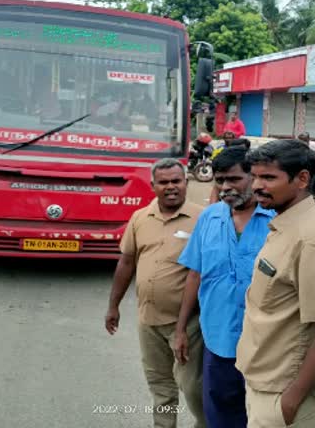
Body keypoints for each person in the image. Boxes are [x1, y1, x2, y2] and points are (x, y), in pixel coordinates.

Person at [236, 140, 315, 428]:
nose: (257, 186)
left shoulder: (313, 238)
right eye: (255, 176)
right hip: (266, 379)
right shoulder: (285, 223)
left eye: (269, 178)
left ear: (302, 179)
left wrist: (291, 400)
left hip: (284, 390)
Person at [175, 148, 275, 428]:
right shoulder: (210, 218)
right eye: (220, 181)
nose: (226, 188)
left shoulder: (276, 220)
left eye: (234, 179)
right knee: (218, 412)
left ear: (253, 177)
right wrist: (181, 329)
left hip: (266, 343)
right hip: (217, 338)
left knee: (260, 415)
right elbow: (195, 275)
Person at [105, 158, 205, 428]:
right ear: (153, 186)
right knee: (160, 386)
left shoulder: (203, 217)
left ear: (186, 183)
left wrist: (183, 329)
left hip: (189, 324)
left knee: (193, 389)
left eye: (177, 181)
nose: (171, 187)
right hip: (148, 320)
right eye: (164, 182)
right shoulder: (140, 217)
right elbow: (127, 262)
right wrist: (113, 306)